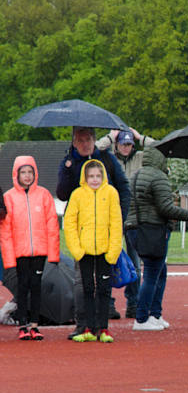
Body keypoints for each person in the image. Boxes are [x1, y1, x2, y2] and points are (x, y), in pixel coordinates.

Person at [56, 126, 132, 335]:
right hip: (83, 238)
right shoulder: (69, 162)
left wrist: (118, 221)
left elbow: (124, 190)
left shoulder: (107, 160)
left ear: (94, 140)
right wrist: (67, 167)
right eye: (80, 140)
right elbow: (62, 194)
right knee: (83, 284)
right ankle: (84, 325)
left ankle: (102, 324)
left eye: (88, 139)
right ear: (73, 142)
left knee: (105, 283)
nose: (84, 144)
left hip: (106, 234)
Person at [125, 146, 188, 331]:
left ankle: (155, 314)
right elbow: (166, 208)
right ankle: (143, 318)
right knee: (152, 273)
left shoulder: (135, 175)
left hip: (133, 229)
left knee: (159, 271)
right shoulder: (159, 177)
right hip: (153, 230)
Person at [96, 127, 157, 318]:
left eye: (130, 144)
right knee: (108, 259)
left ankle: (133, 301)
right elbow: (94, 149)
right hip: (110, 215)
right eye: (123, 143)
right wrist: (110, 136)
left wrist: (140, 137)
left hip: (132, 216)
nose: (126, 147)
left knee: (133, 261)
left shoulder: (140, 158)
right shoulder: (106, 158)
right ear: (117, 144)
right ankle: (108, 304)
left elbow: (158, 149)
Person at [0, 156, 60, 340]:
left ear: (35, 173)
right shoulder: (9, 197)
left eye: (30, 172)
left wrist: (53, 253)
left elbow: (52, 225)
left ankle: (34, 324)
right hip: (19, 253)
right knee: (22, 287)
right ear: (15, 174)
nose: (27, 176)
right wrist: (9, 258)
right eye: (23, 172)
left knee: (36, 286)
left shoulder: (43, 195)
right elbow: (5, 232)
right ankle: (22, 324)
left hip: (39, 252)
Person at [63, 159, 123, 343]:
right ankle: (88, 327)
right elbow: (70, 223)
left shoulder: (111, 193)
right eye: (91, 176)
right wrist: (77, 249)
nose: (95, 180)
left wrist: (113, 250)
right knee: (88, 289)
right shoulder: (77, 195)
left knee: (104, 289)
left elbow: (116, 222)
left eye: (98, 176)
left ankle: (103, 328)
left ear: (103, 176)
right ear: (85, 177)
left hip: (105, 251)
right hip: (85, 251)